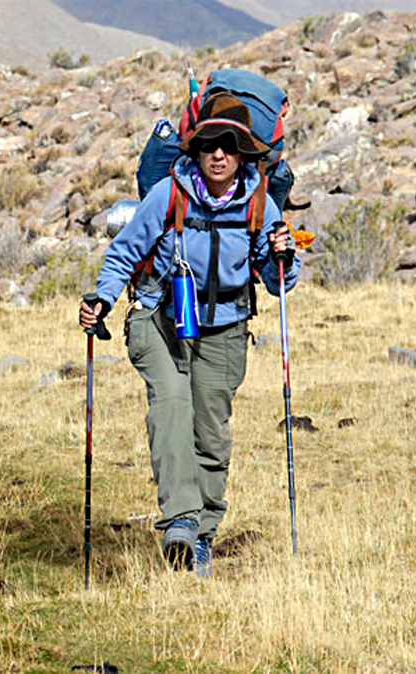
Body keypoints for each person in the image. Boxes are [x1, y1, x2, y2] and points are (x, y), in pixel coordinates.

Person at [79, 92, 300, 578]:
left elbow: (276, 277)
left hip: (225, 326)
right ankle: (180, 520)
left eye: (230, 145)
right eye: (209, 144)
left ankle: (203, 536)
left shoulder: (259, 201)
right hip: (161, 320)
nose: (219, 154)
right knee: (171, 408)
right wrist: (102, 298)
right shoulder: (170, 194)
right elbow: (123, 253)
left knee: (211, 435)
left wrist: (283, 256)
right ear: (195, 150)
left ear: (244, 154)